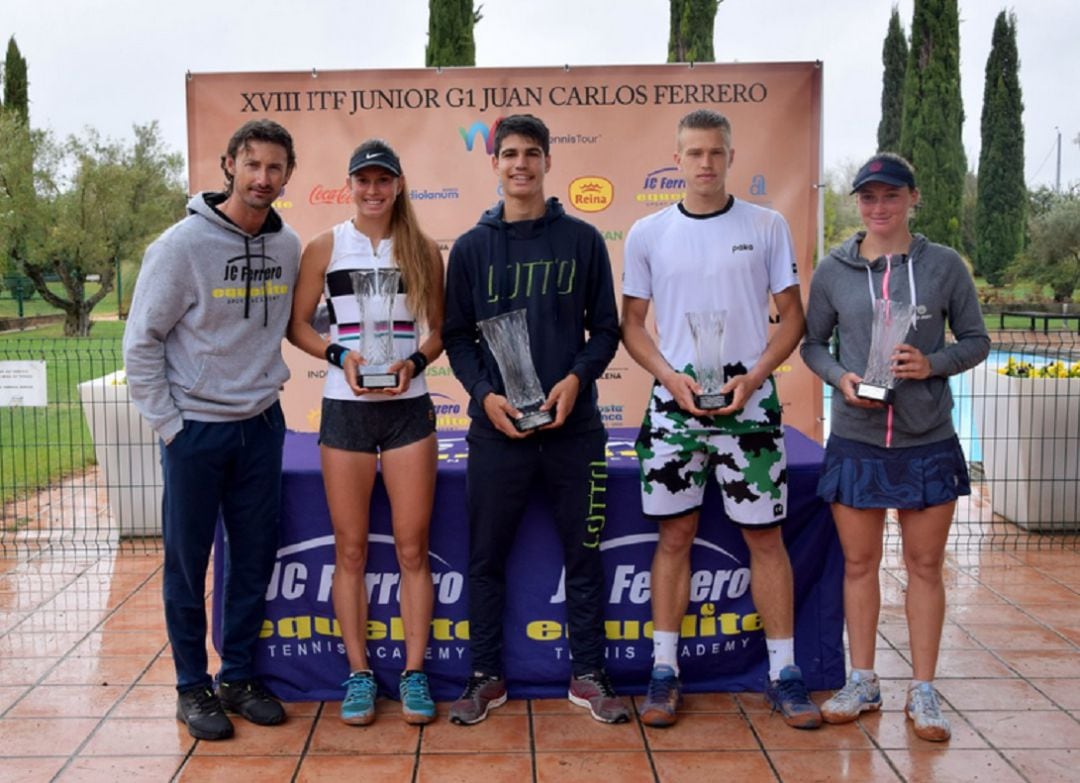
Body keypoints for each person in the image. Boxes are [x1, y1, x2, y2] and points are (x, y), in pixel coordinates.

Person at [621, 109, 820, 730]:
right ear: (675, 159)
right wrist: (668, 377)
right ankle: (664, 671)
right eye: (694, 153)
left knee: (764, 538)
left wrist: (755, 377)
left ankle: (784, 673)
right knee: (673, 539)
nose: (705, 164)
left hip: (751, 408)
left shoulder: (767, 225)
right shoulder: (647, 233)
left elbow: (792, 318)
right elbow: (631, 324)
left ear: (732, 156)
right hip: (674, 410)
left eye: (716, 153)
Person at [442, 113, 629, 726]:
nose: (520, 164)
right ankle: (485, 677)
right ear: (494, 163)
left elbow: (606, 329)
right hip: (496, 432)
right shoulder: (471, 248)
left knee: (585, 555)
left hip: (575, 430)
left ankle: (590, 675)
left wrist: (576, 381)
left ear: (548, 161)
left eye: (531, 153)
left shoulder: (581, 240)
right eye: (510, 154)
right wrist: (483, 396)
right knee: (485, 558)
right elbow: (456, 338)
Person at [801, 153, 990, 741]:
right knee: (858, 566)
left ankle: (925, 691)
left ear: (914, 198)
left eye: (890, 196)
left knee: (925, 567)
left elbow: (978, 341)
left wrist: (931, 364)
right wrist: (840, 379)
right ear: (857, 203)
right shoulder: (833, 269)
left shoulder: (944, 268)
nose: (879, 208)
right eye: (868, 198)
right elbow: (812, 344)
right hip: (857, 440)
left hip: (925, 440)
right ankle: (863, 680)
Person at [123, 119, 300, 740]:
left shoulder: (288, 247)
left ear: (287, 176)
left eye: (275, 168)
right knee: (187, 563)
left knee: (252, 561)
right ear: (229, 164)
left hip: (262, 426)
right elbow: (140, 343)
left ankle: (240, 676)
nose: (262, 178)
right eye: (252, 165)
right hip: (195, 431)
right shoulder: (180, 246)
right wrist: (171, 427)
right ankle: (192, 686)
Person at [286, 139, 444, 726]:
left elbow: (441, 330)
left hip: (409, 409)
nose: (373, 191)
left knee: (411, 549)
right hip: (345, 408)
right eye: (363, 181)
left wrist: (415, 365)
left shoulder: (424, 249)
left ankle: (414, 672)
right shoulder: (325, 246)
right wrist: (340, 357)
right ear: (349, 185)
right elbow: (298, 325)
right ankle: (358, 675)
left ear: (399, 185)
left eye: (383, 181)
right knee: (349, 550)